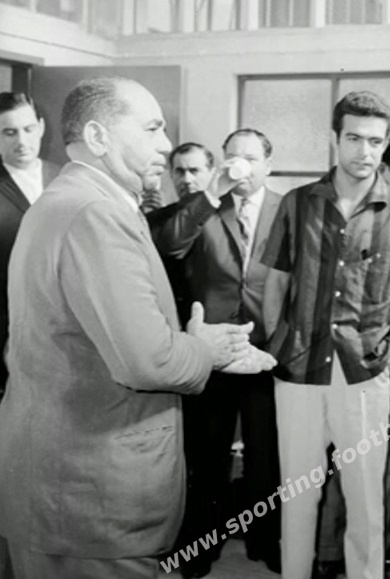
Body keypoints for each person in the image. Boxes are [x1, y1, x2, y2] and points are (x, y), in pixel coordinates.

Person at [0, 76, 275, 579]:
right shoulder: (95, 213)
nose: (166, 145)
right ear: (98, 137)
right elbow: (149, 362)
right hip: (91, 499)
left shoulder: (68, 199)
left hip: (68, 488)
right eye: (152, 129)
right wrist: (205, 348)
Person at [262, 90, 390, 579]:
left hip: (365, 373)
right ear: (334, 139)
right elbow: (275, 280)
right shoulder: (298, 203)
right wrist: (278, 344)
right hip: (298, 369)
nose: (365, 151)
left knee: (365, 500)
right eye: (355, 139)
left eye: (376, 142)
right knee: (297, 495)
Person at [154, 129, 282, 578]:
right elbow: (170, 244)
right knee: (207, 457)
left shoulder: (288, 208)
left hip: (268, 351)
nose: (239, 164)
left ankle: (265, 540)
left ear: (267, 164)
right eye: (231, 156)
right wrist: (212, 192)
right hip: (213, 351)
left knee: (267, 458)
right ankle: (200, 547)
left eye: (249, 157)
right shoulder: (205, 204)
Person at [313, 133, 390, 579]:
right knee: (357, 466)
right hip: (360, 366)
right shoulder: (363, 222)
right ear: (384, 171)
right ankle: (331, 556)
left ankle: (357, 558)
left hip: (381, 363)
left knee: (374, 470)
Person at [0, 92, 61, 399]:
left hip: (64, 327)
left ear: (41, 127)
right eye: (9, 132)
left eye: (28, 129)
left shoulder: (64, 177)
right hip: (7, 327)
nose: (22, 141)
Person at [147, 142, 217, 325]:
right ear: (171, 174)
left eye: (194, 171)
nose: (187, 179)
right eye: (179, 171)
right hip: (172, 320)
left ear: (212, 173)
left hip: (217, 318)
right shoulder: (155, 220)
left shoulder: (227, 218)